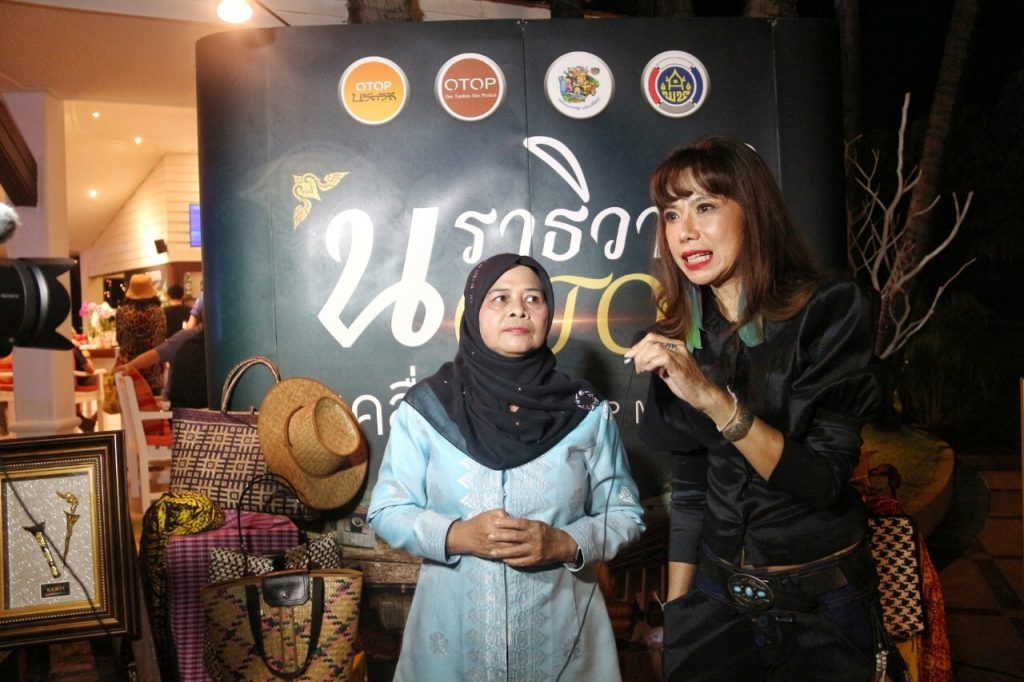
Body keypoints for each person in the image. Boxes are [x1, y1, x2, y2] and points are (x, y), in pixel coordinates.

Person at [624, 136, 887, 681]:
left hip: (820, 610)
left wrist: (713, 400)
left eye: (705, 207)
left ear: (754, 211)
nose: (684, 231)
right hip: (715, 606)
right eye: (671, 214)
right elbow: (691, 491)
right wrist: (679, 617)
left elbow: (823, 483)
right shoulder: (679, 339)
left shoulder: (829, 310)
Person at [368, 253, 645, 681]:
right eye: (500, 298)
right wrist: (459, 535)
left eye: (533, 298)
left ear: (548, 312)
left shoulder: (585, 411)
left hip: (563, 643)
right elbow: (387, 509)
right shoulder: (428, 408)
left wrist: (564, 543)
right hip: (451, 644)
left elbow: (625, 513)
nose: (518, 309)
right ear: (473, 312)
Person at [113, 325, 207, 408]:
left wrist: (129, 366)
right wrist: (130, 366)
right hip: (184, 414)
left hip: (179, 411)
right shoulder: (189, 338)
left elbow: (157, 354)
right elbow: (157, 354)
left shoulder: (186, 337)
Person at [116, 274, 167, 396]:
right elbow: (161, 340)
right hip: (153, 370)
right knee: (151, 405)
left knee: (128, 405)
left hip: (128, 369)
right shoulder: (159, 312)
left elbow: (119, 339)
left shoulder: (122, 312)